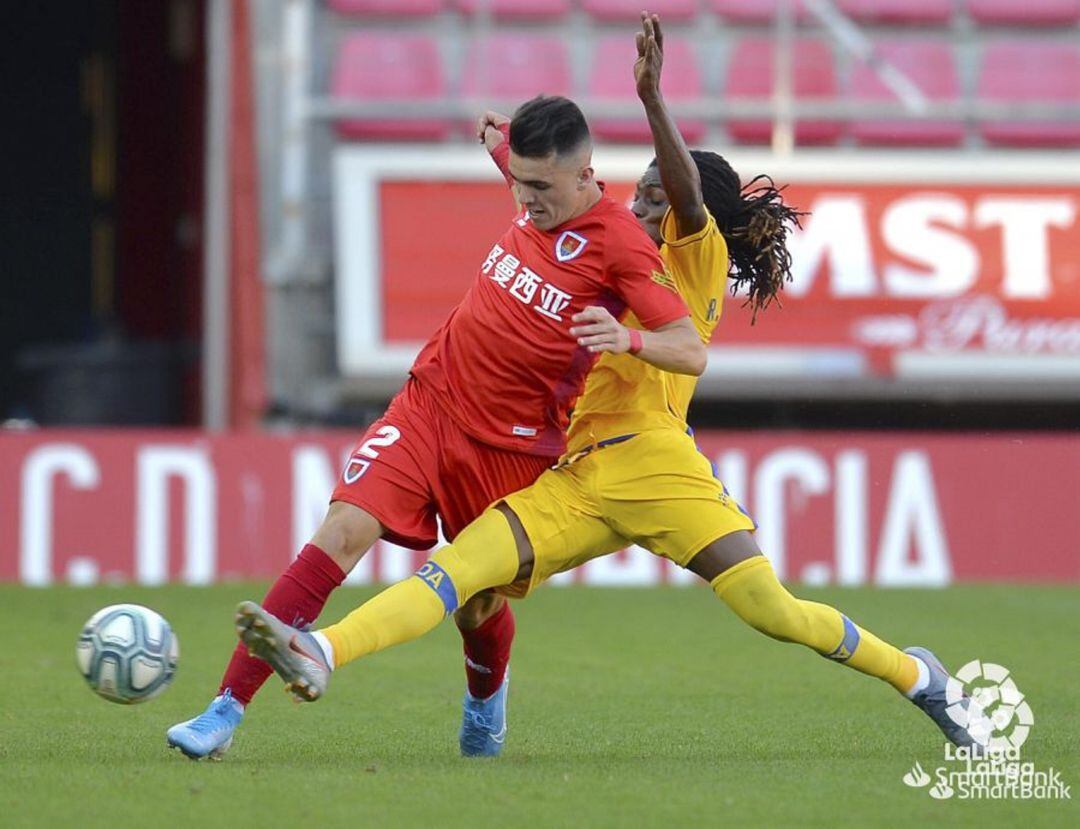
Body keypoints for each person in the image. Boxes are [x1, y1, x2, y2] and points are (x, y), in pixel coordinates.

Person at [236, 13, 979, 754]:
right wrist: (507, 149)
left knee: (770, 608)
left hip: (658, 466)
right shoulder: (612, 245)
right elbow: (558, 209)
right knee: (455, 570)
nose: (641, 206)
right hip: (578, 473)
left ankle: (918, 675)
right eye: (640, 193)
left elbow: (685, 202)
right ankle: (320, 651)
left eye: (654, 197)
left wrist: (653, 100)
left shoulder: (695, 254)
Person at [166, 93, 705, 760]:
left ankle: (485, 698)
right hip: (429, 405)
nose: (525, 198)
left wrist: (626, 338)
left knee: (475, 604)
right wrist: (492, 134)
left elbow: (690, 346)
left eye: (539, 186)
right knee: (342, 530)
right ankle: (224, 710)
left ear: (584, 173)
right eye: (518, 180)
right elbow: (504, 147)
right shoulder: (531, 176)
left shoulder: (621, 243)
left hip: (512, 447)